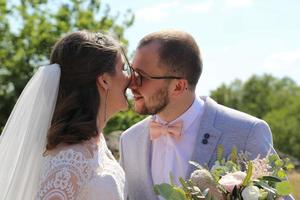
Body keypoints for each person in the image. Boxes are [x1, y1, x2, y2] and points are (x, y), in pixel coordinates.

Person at [119, 30, 293, 200]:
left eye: (141, 76)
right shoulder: (129, 140)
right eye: (131, 71)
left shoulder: (247, 132)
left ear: (178, 86)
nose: (131, 83)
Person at [0, 30, 131, 200]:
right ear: (104, 80)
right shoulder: (68, 162)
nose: (131, 78)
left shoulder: (96, 143)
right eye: (123, 68)